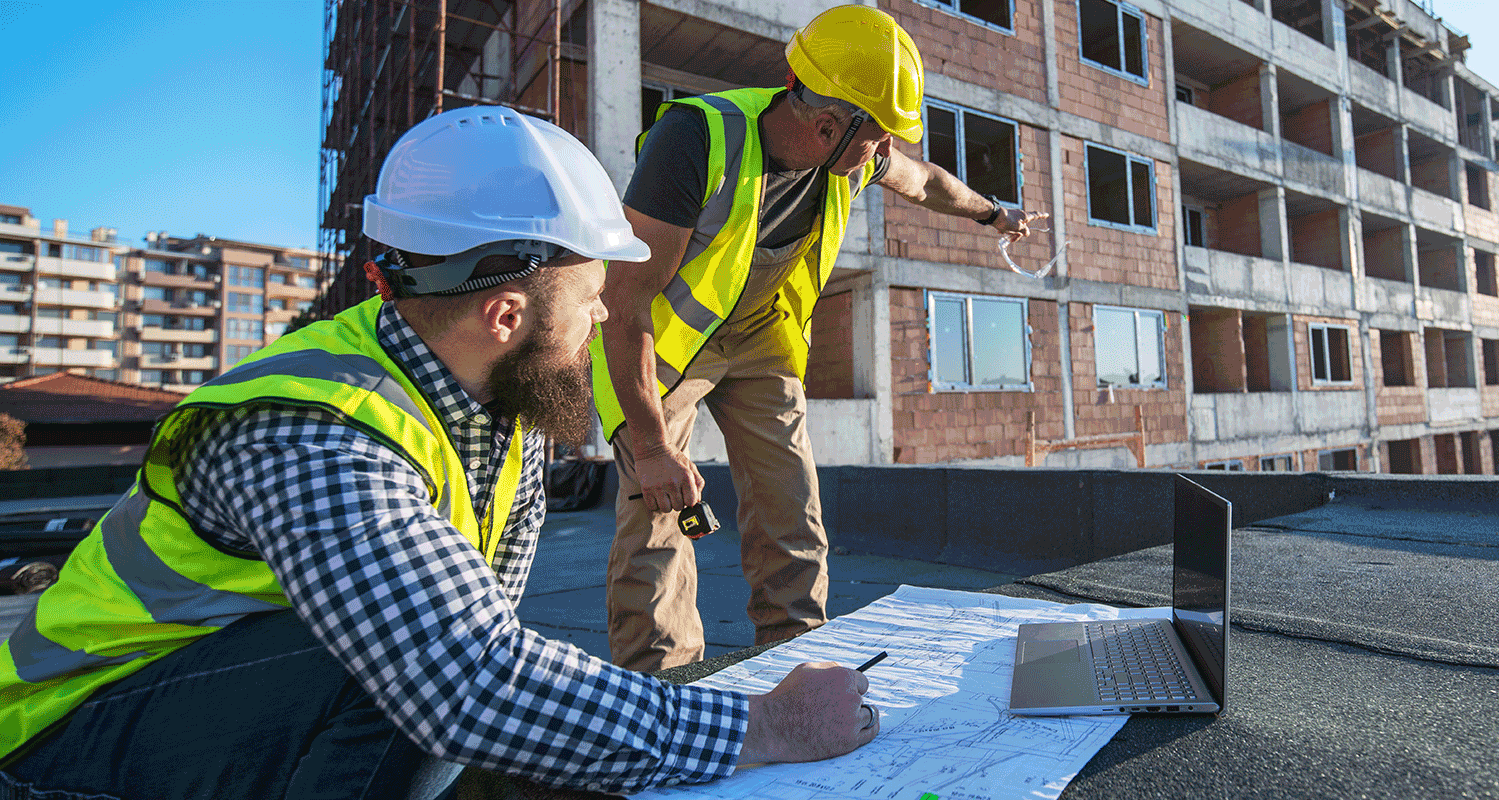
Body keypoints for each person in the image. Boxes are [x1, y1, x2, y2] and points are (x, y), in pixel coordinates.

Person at [0, 106, 877, 799]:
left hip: (221, 715)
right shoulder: (315, 429)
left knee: (420, 661)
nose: (606, 318)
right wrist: (767, 726)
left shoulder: (500, 401)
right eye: (591, 295)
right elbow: (466, 679)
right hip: (64, 741)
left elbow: (490, 643)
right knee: (399, 670)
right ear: (507, 313)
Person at [596, 4, 1048, 672]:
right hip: (662, 347)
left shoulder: (851, 155)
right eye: (879, 135)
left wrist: (995, 215)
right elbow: (624, 301)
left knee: (792, 511)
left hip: (760, 341)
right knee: (657, 516)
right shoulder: (695, 140)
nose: (884, 153)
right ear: (828, 123)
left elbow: (924, 182)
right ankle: (663, 690)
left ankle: (794, 662)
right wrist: (653, 446)